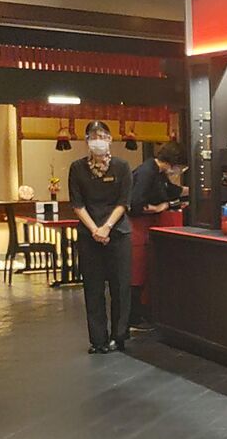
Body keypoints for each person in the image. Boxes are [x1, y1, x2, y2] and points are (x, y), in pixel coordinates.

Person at [69, 121, 132, 354]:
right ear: (87, 141)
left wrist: (106, 227)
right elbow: (77, 204)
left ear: (110, 140)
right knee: (93, 287)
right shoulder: (77, 168)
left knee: (120, 286)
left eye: (103, 136)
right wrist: (95, 230)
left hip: (118, 232)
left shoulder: (122, 167)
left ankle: (119, 336)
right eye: (94, 136)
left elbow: (124, 202)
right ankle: (98, 340)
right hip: (89, 234)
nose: (99, 141)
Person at [128, 141, 188, 331]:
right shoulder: (147, 172)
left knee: (142, 272)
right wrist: (159, 207)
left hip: (145, 229)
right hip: (137, 229)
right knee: (136, 274)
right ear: (173, 162)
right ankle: (132, 317)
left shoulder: (157, 173)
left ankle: (139, 314)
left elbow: (171, 190)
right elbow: (135, 204)